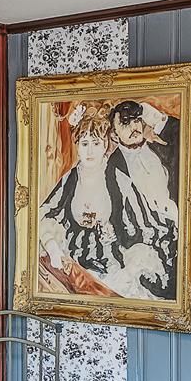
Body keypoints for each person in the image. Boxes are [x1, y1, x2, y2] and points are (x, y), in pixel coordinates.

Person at [39, 105, 176, 299]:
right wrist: (53, 247)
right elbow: (48, 212)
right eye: (84, 144)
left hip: (113, 259)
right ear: (77, 145)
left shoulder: (118, 178)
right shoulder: (70, 179)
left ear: (105, 145)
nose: (90, 151)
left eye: (96, 143)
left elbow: (138, 222)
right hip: (77, 255)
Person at [110, 99, 179, 227]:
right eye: (125, 124)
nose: (134, 127)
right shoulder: (113, 166)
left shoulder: (160, 146)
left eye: (136, 120)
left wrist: (158, 119)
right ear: (114, 134)